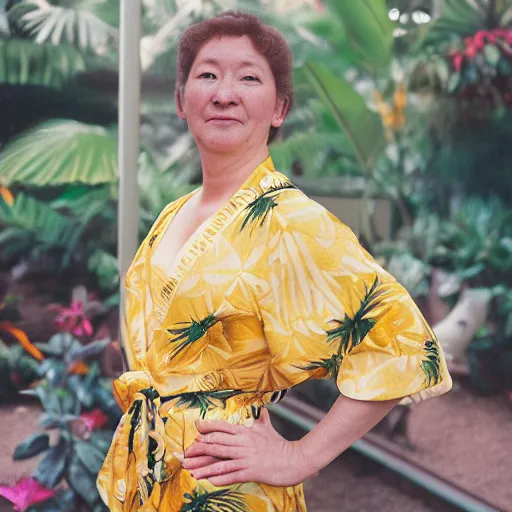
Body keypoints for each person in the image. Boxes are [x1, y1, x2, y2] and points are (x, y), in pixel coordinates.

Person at [97, 11, 452, 511]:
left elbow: (401, 344)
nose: (224, 93)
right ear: (181, 101)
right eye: (206, 75)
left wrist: (300, 456)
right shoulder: (178, 211)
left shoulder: (288, 219)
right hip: (156, 477)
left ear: (279, 107)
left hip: (226, 488)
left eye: (248, 77)